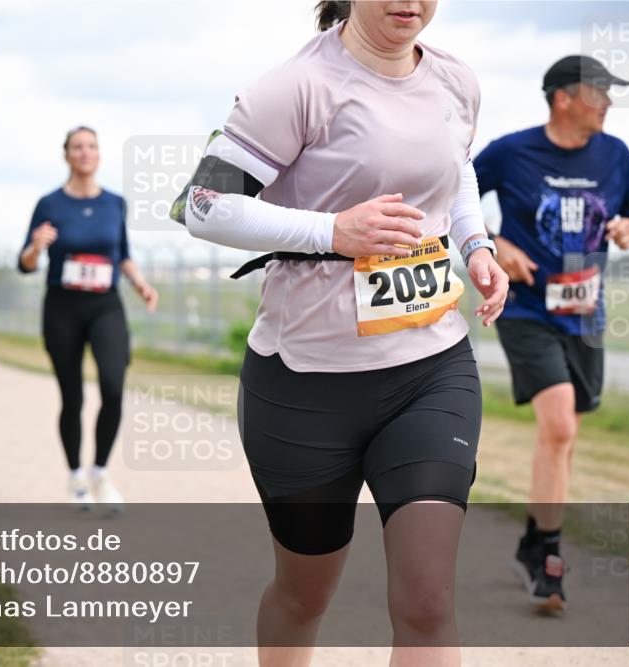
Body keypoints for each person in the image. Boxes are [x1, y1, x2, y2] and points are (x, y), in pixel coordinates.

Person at [170, 2, 508, 664]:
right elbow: (201, 206)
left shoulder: (456, 81)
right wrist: (331, 231)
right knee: (303, 596)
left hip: (430, 368)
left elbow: (455, 169)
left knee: (427, 599)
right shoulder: (298, 88)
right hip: (304, 384)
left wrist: (476, 244)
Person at [474, 55, 629, 613]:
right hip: (525, 308)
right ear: (563, 97)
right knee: (557, 420)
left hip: (585, 314)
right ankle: (549, 558)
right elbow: (450, 203)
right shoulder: (511, 151)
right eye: (599, 90)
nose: (609, 101)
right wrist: (496, 244)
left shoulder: (615, 154)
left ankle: (531, 540)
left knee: (567, 431)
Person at [19, 125, 158, 509]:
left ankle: (100, 472)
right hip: (63, 307)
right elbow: (25, 263)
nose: (85, 152)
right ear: (66, 155)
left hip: (105, 305)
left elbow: (122, 254)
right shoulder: (49, 204)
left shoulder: (115, 203)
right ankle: (75, 477)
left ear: (99, 155)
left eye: (91, 146)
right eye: (77, 147)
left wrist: (141, 284)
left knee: (113, 388)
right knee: (73, 396)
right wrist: (35, 247)